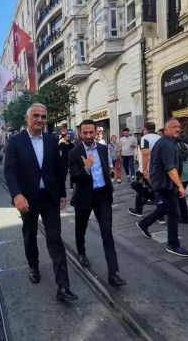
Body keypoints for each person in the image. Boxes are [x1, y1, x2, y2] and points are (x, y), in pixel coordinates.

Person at [4, 103, 77, 301]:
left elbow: (57, 169)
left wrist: (62, 193)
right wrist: (16, 195)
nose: (40, 119)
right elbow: (9, 171)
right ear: (27, 119)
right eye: (36, 116)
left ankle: (63, 287)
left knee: (55, 238)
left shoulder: (52, 140)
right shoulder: (15, 141)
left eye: (43, 116)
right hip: (27, 198)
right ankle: (33, 266)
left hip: (49, 197)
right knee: (30, 234)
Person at [69, 120, 126, 287]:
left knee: (107, 232)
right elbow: (74, 178)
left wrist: (110, 191)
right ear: (80, 134)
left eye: (91, 133)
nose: (88, 136)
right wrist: (86, 168)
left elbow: (107, 171)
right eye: (85, 133)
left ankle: (113, 273)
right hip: (84, 196)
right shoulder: (74, 152)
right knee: (81, 228)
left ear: (96, 132)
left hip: (102, 195)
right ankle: (81, 252)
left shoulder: (102, 148)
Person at [136, 119, 188, 257]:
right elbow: (170, 168)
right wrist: (180, 186)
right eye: (174, 127)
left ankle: (144, 223)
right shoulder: (166, 144)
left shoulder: (169, 143)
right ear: (166, 130)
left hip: (164, 183)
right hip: (165, 184)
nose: (178, 129)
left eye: (179, 126)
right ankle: (173, 244)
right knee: (174, 213)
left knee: (166, 208)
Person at [129, 122, 161, 216]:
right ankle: (160, 215)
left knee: (141, 189)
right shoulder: (161, 138)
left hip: (147, 167)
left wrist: (144, 170)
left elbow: (145, 154)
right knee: (158, 190)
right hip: (158, 169)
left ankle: (138, 210)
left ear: (145, 129)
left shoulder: (145, 138)